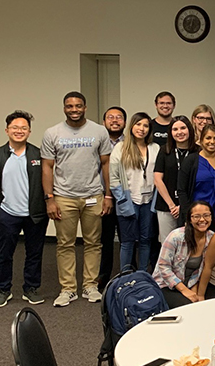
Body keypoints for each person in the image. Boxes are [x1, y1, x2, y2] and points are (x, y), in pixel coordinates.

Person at [42, 91, 113, 307]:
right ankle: (68, 289)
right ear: (64, 108)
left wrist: (108, 194)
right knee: (65, 244)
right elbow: (47, 166)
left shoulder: (99, 131)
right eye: (70, 106)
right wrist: (49, 199)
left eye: (78, 106)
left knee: (93, 243)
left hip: (93, 195)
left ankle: (90, 286)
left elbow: (106, 164)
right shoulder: (52, 132)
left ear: (85, 107)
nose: (75, 110)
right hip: (64, 197)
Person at [0, 110, 49, 307]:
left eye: (23, 128)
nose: (19, 131)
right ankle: (3, 290)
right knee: (4, 254)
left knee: (34, 253)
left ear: (29, 132)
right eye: (15, 128)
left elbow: (49, 182)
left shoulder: (39, 155)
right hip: (8, 215)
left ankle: (31, 288)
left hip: (35, 215)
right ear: (7, 130)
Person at [109, 112, 160, 273]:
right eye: (138, 125)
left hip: (148, 201)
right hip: (128, 201)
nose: (142, 129)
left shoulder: (155, 148)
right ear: (131, 127)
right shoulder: (121, 148)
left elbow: (159, 176)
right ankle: (125, 275)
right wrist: (122, 200)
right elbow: (114, 177)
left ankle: (143, 274)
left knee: (146, 240)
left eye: (145, 126)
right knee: (127, 242)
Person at [153, 201, 214, 308]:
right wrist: (185, 291)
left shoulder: (212, 238)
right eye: (196, 216)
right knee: (188, 307)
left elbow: (201, 270)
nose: (202, 220)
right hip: (166, 285)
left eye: (206, 215)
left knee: (210, 304)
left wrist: (196, 291)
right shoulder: (176, 236)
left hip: (190, 283)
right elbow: (163, 267)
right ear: (190, 219)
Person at [177, 124, 215, 230]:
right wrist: (188, 216)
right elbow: (182, 190)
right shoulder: (190, 160)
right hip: (197, 216)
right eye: (208, 138)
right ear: (201, 140)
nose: (212, 141)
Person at [154, 116, 197, 242]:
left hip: (190, 206)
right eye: (175, 129)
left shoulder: (198, 151)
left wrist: (183, 206)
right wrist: (172, 206)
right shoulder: (164, 150)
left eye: (183, 128)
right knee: (167, 244)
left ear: (189, 129)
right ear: (170, 133)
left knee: (189, 243)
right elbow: (157, 179)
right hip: (166, 206)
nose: (179, 132)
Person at [98, 106, 126, 291]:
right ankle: (102, 277)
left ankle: (127, 276)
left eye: (119, 117)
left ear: (125, 121)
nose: (115, 120)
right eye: (110, 117)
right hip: (102, 197)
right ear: (104, 122)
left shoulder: (131, 142)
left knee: (127, 239)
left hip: (126, 198)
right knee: (104, 239)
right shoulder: (98, 142)